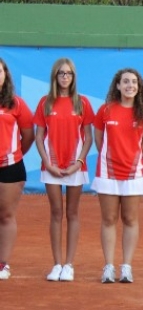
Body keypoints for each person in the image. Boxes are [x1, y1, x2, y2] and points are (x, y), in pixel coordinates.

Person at [33, 58, 94, 282]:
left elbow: (88, 138)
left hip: (75, 167)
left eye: (69, 73)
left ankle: (69, 264)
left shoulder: (83, 103)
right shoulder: (45, 103)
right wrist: (48, 163)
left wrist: (78, 162)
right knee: (56, 213)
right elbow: (39, 137)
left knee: (72, 213)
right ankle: (57, 264)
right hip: (51, 167)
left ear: (74, 77)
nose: (65, 77)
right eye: (61, 73)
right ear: (55, 77)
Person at [92, 68, 143, 284]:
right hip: (107, 173)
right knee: (108, 219)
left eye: (134, 82)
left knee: (130, 219)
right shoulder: (105, 110)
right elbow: (99, 140)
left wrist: (132, 161)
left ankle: (126, 267)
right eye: (125, 81)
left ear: (139, 87)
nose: (130, 85)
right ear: (118, 86)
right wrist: (111, 159)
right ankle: (108, 267)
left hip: (133, 174)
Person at [0, 57, 35, 280]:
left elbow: (28, 135)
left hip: (9, 168)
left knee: (6, 215)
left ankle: (2, 264)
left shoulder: (16, 103)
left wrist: (11, 155)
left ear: (5, 76)